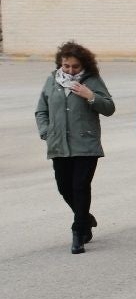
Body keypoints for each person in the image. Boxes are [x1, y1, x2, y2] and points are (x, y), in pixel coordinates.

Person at [35, 41, 116, 254]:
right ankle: (86, 218)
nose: (70, 71)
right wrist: (46, 132)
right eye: (66, 66)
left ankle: (78, 231)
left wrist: (90, 96)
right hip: (59, 144)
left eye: (75, 67)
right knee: (64, 187)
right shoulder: (52, 81)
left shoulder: (92, 80)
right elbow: (41, 111)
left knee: (80, 186)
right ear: (60, 64)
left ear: (83, 65)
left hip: (86, 145)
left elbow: (109, 108)